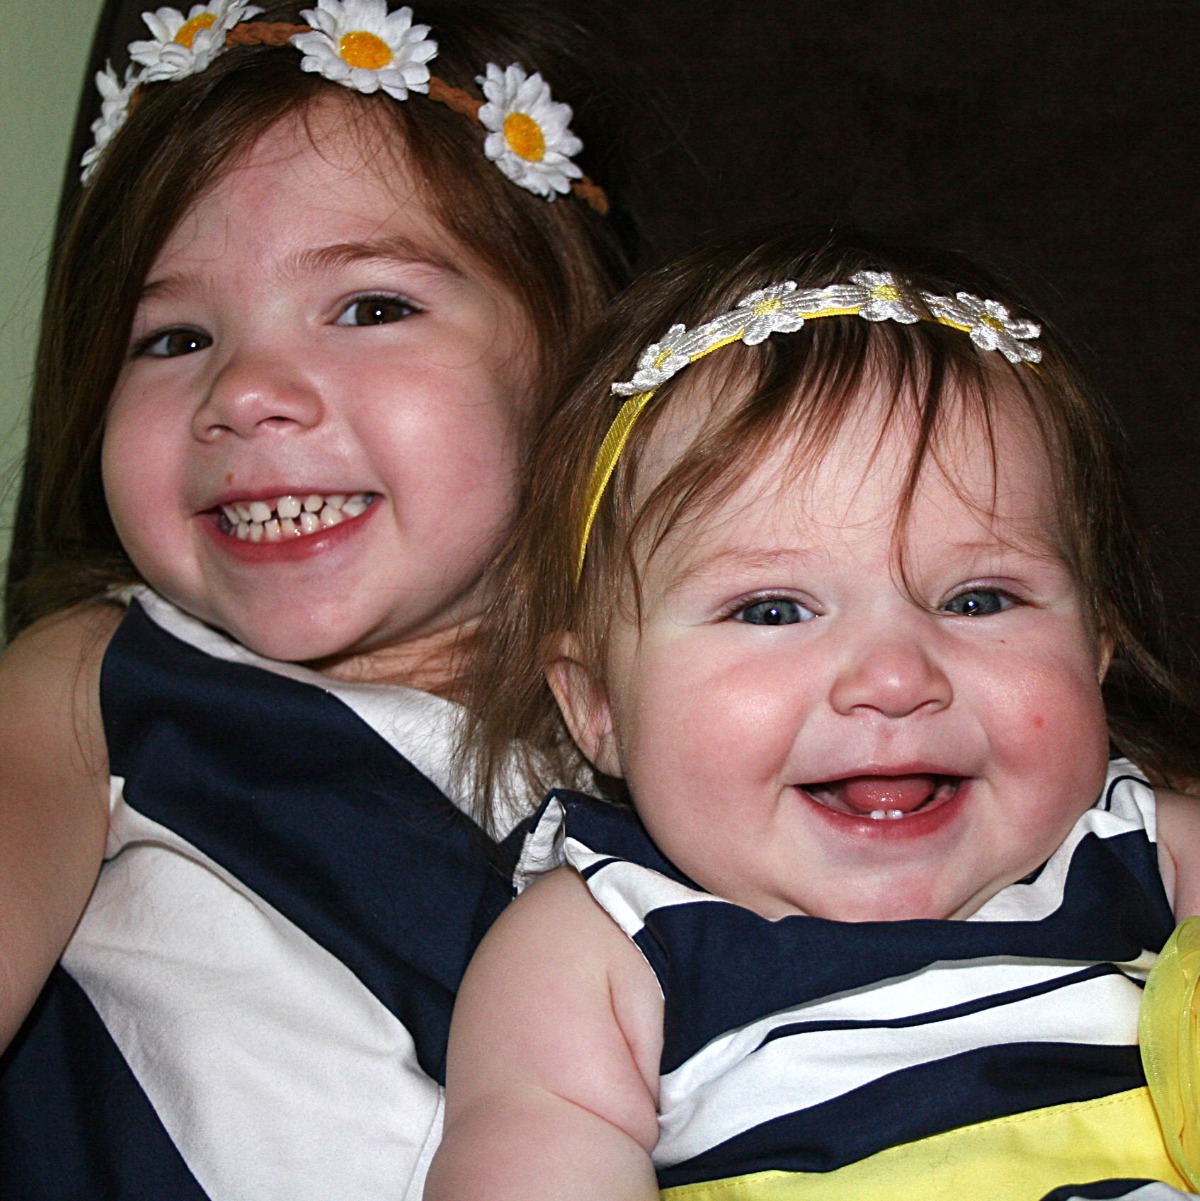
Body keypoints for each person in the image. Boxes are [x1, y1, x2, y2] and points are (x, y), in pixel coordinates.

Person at [0, 2, 632, 1196]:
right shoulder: (94, 678)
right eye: (174, 336)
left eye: (371, 308)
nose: (244, 392)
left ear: (576, 372)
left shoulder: (687, 737)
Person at [427, 226, 1200, 1201]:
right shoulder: (605, 937)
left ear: (1096, 648)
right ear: (595, 708)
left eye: (978, 599)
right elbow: (530, 1158)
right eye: (772, 609)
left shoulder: (1146, 844)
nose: (891, 675)